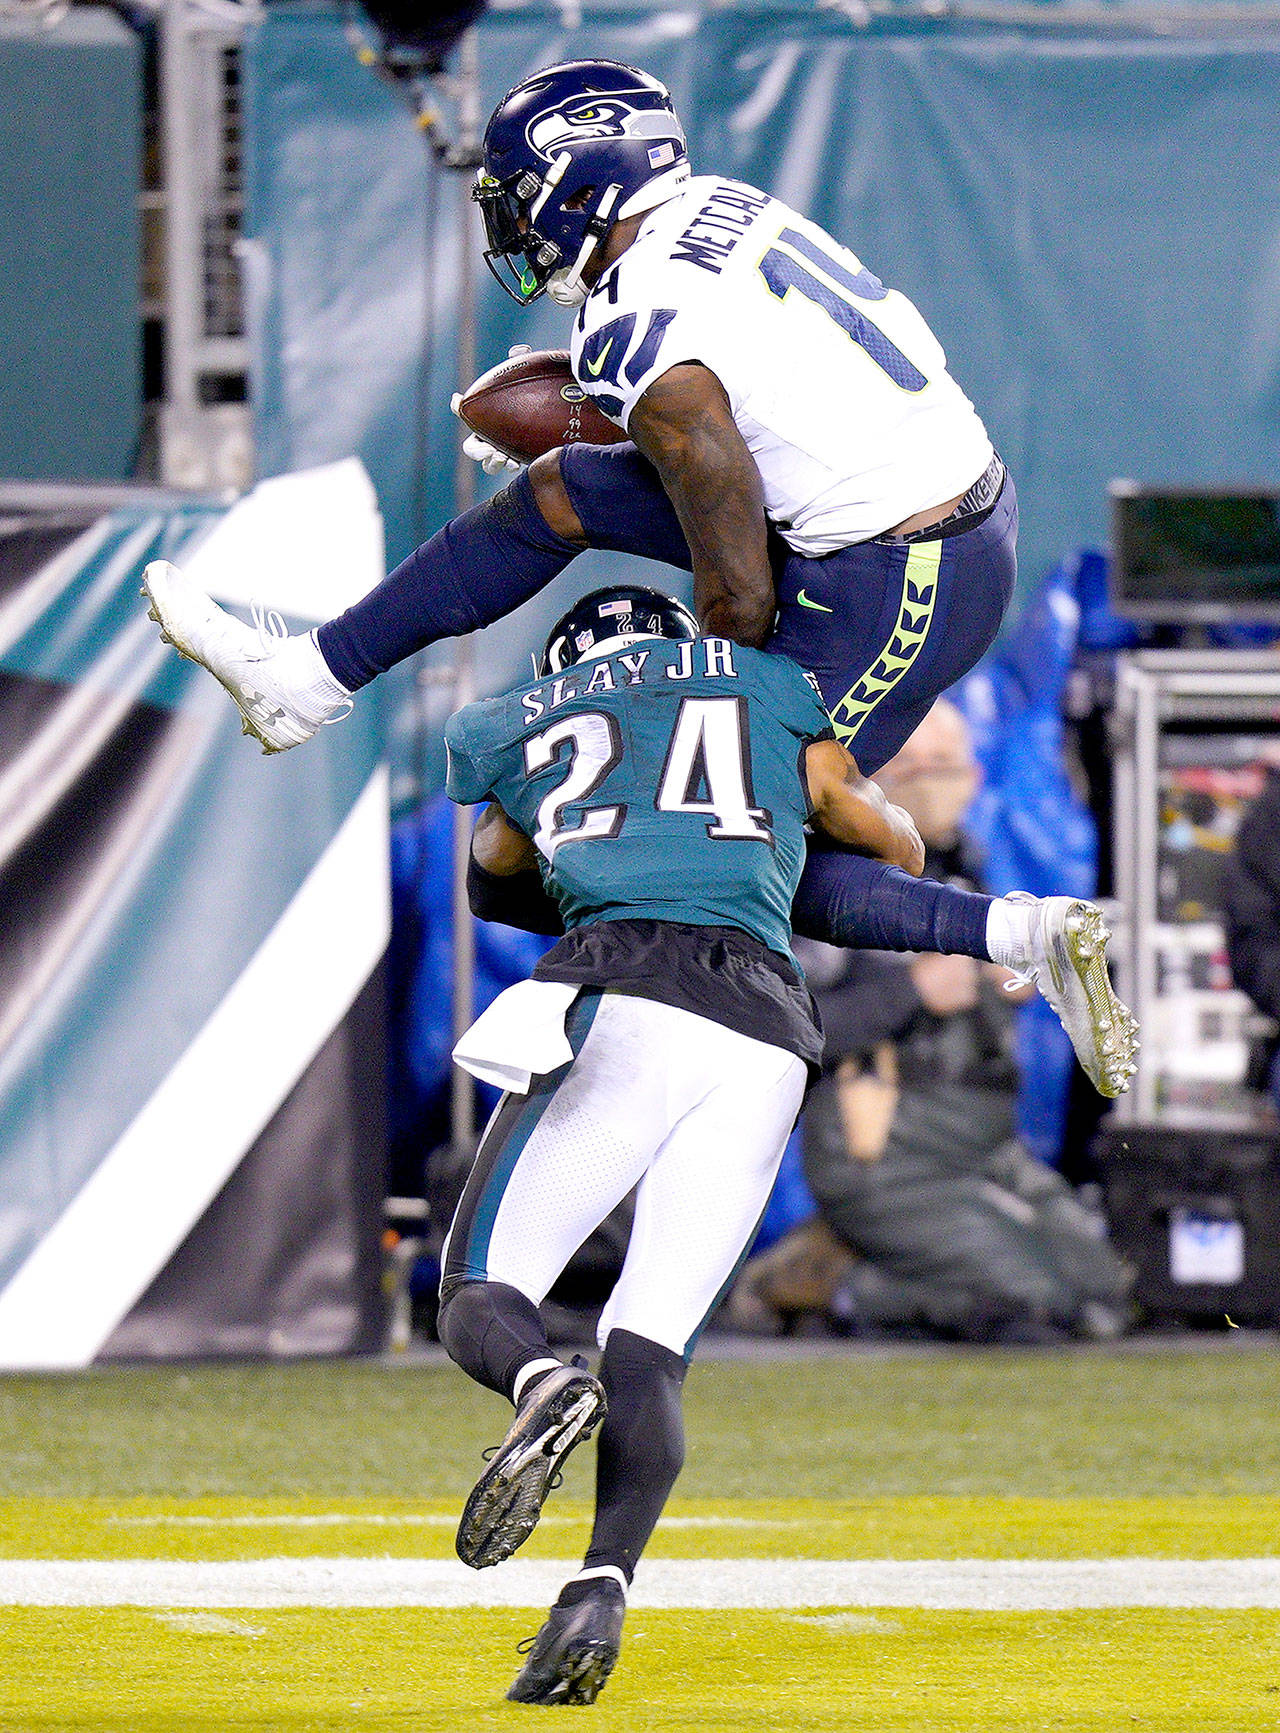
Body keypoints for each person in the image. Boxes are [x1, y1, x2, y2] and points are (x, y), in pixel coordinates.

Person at [139, 61, 1137, 1098]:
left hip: (894, 575)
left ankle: (1018, 931)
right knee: (561, 493)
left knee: (726, 833)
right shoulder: (710, 207)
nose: (517, 229)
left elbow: (739, 589)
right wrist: (598, 413)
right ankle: (307, 675)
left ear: (580, 187)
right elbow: (729, 389)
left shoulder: (634, 322)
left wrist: (701, 724)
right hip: (899, 516)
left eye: (524, 200)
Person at [435, 583, 923, 1704]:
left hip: (625, 988)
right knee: (650, 1341)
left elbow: (493, 864)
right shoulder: (769, 690)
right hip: (765, 1030)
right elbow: (886, 838)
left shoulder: (523, 714)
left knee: (475, 1289)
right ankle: (600, 1582)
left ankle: (537, 1381)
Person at [753, 701, 1130, 1342]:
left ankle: (851, 1259)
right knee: (1036, 1305)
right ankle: (830, 1288)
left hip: (983, 1148)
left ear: (975, 778)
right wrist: (912, 991)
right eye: (912, 762)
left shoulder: (967, 871)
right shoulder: (832, 885)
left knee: (1106, 1291)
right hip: (881, 1155)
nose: (929, 779)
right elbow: (779, 1027)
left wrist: (1001, 984)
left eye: (944, 764)